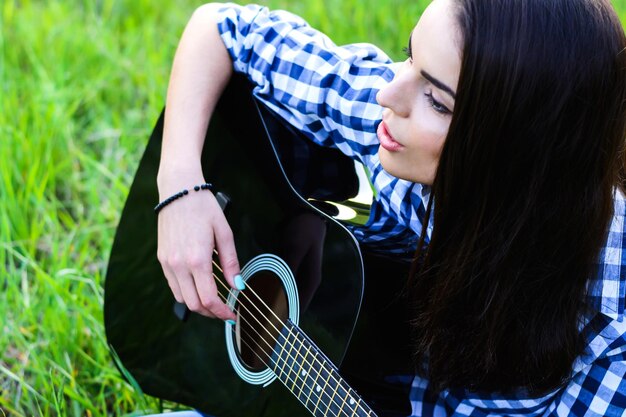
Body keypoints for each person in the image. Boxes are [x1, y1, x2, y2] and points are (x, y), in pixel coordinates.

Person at [152, 0, 626, 415]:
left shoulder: (610, 336)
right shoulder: (395, 130)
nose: (388, 94)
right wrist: (181, 185)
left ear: (514, 154)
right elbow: (223, 28)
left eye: (437, 102)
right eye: (408, 55)